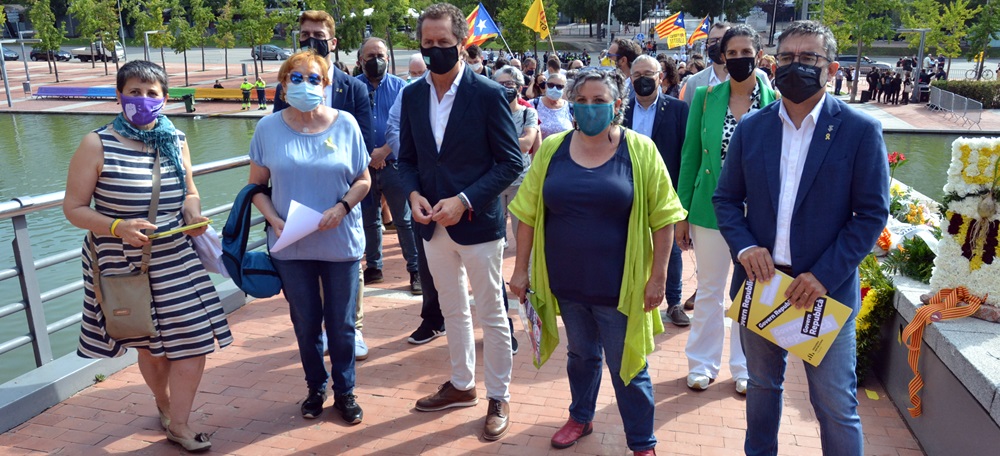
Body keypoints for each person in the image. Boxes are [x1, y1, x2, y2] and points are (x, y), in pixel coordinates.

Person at [714, 20, 889, 455]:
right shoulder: (752, 128)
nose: (796, 66)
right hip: (763, 285)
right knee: (761, 387)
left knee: (833, 402)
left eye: (808, 58)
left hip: (823, 290)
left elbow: (870, 215)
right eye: (787, 57)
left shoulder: (858, 130)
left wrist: (824, 275)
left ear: (830, 68)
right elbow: (726, 200)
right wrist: (745, 246)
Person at [508, 68, 686, 456]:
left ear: (617, 105)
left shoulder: (639, 150)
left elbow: (666, 217)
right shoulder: (553, 148)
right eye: (582, 101)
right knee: (581, 355)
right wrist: (520, 269)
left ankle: (642, 442)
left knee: (629, 367)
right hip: (567, 281)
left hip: (620, 283)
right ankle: (581, 416)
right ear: (571, 104)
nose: (589, 108)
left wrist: (658, 278)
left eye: (599, 101)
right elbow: (526, 212)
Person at [65, 60, 232, 453]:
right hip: (123, 266)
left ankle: (181, 423)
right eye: (134, 92)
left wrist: (193, 213)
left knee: (193, 340)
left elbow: (189, 191)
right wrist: (116, 225)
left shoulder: (175, 138)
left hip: (176, 258)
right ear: (119, 96)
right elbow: (73, 208)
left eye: (151, 93)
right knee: (151, 348)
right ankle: (164, 402)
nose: (143, 99)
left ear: (165, 98)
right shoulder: (97, 143)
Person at [397, 3, 523, 441]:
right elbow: (407, 159)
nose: (434, 51)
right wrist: (412, 193)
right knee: (452, 310)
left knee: (492, 313)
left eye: (443, 43)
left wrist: (464, 200)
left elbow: (510, 162)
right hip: (431, 225)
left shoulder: (488, 94)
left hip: (478, 224)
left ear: (462, 44)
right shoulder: (412, 94)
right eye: (426, 43)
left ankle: (499, 396)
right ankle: (462, 385)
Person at [248, 51, 372, 425]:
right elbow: (255, 187)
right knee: (305, 322)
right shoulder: (267, 129)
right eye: (296, 79)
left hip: (340, 242)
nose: (305, 85)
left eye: (313, 79)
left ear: (326, 84)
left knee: (342, 324)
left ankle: (345, 391)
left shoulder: (346, 124)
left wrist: (342, 207)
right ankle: (315, 387)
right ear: (283, 86)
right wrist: (273, 218)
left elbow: (363, 180)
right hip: (291, 243)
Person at [676, 24, 778, 394]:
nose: (738, 59)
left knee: (749, 292)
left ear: (759, 53)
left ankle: (745, 366)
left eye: (745, 52)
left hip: (758, 214)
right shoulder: (704, 98)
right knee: (709, 289)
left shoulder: (776, 100)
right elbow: (690, 157)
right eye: (731, 53)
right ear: (722, 56)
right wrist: (682, 214)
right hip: (710, 209)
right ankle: (701, 363)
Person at [272, 10, 374, 361]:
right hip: (298, 202)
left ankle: (352, 328)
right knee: (308, 276)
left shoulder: (354, 87)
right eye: (304, 34)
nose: (310, 39)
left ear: (333, 42)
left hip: (344, 197)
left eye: (317, 34)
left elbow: (365, 143)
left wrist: (344, 202)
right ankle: (319, 334)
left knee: (349, 271)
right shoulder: (286, 86)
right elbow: (277, 133)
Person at [622, 54, 690, 327]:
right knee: (627, 243)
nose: (642, 80)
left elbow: (686, 153)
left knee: (670, 249)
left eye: (648, 74)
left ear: (660, 76)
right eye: (636, 75)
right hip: (626, 189)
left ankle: (673, 302)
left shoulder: (678, 109)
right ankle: (626, 296)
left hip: (666, 189)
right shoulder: (621, 109)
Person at [355, 37, 421, 295]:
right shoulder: (353, 87)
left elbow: (406, 125)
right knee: (369, 220)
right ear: (361, 61)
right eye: (370, 56)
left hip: (394, 164)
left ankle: (415, 269)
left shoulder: (401, 88)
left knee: (403, 220)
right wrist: (368, 155)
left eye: (381, 55)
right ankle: (374, 267)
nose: (376, 61)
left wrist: (383, 151)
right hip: (363, 167)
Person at [493, 65, 539, 250]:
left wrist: (496, 141)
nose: (505, 88)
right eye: (500, 84)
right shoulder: (490, 113)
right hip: (494, 182)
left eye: (509, 84)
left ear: (519, 87)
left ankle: (525, 275)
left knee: (523, 236)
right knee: (494, 241)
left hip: (520, 181)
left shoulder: (529, 113)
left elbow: (527, 143)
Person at [531, 72, 573, 139]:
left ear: (564, 88)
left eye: (559, 86)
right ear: (546, 85)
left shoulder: (570, 108)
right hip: (540, 149)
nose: (554, 89)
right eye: (551, 85)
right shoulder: (532, 104)